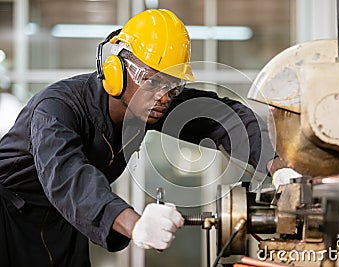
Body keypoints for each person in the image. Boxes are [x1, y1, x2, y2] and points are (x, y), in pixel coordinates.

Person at [0, 9, 274, 266]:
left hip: (63, 223)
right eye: (152, 81)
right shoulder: (55, 108)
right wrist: (135, 224)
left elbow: (223, 117)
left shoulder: (149, 102)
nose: (164, 97)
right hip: (7, 218)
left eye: (173, 85)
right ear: (115, 72)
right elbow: (69, 177)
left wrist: (277, 164)